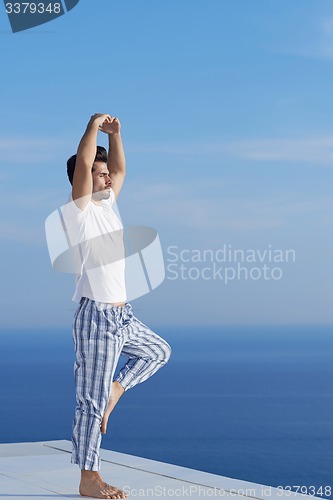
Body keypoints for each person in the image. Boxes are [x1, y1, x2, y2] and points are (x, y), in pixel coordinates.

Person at [63, 113, 172, 499]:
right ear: (82, 179)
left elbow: (121, 170)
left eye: (106, 172)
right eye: (99, 171)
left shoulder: (107, 205)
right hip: (97, 316)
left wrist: (117, 136)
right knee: (89, 403)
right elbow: (84, 161)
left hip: (123, 315)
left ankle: (116, 390)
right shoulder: (80, 213)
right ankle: (88, 478)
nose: (107, 177)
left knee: (159, 351)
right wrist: (92, 129)